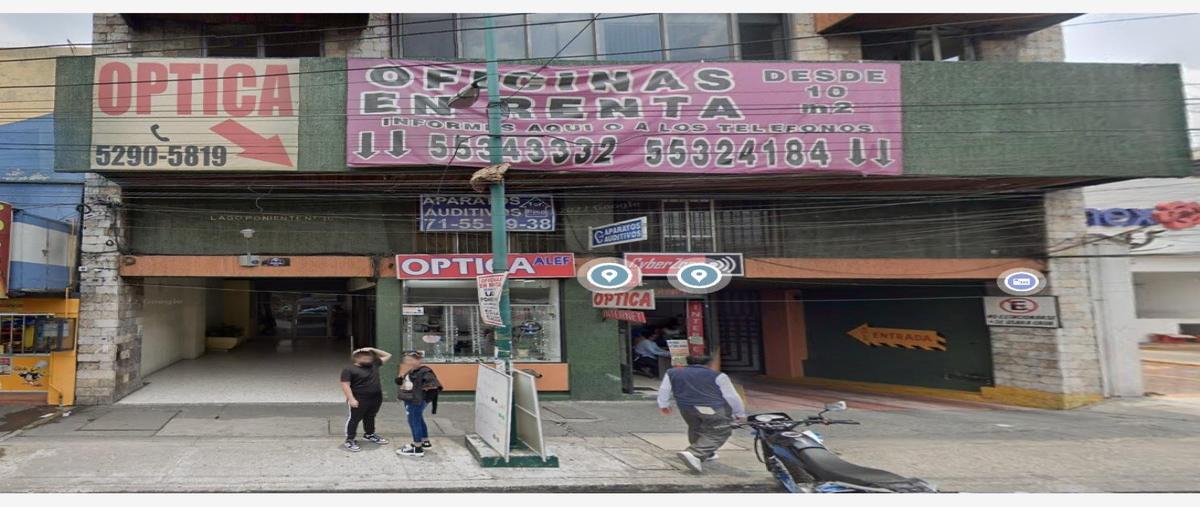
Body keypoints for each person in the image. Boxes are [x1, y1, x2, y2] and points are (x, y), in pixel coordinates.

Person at [657, 355, 746, 473]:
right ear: (709, 364)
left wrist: (663, 404)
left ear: (687, 362)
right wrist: (739, 412)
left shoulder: (672, 372)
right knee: (721, 430)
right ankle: (695, 453)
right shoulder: (718, 376)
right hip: (712, 407)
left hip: (686, 407)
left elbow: (664, 389)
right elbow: (731, 396)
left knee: (696, 428)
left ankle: (707, 453)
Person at [339, 347, 392, 452]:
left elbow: (388, 355)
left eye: (369, 358)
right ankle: (349, 439)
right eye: (365, 359)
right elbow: (345, 385)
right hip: (359, 398)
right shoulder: (349, 370)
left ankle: (369, 434)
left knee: (370, 416)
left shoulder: (374, 364)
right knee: (354, 419)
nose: (368, 360)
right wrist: (351, 399)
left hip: (376, 397)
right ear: (356, 359)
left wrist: (372, 349)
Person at [395, 351, 443, 457]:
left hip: (416, 401)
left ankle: (417, 448)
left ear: (419, 360)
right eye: (406, 360)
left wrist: (420, 390)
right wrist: (401, 377)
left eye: (411, 360)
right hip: (412, 399)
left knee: (413, 421)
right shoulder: (412, 370)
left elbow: (433, 385)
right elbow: (401, 382)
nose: (408, 362)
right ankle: (425, 441)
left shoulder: (425, 371)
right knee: (419, 419)